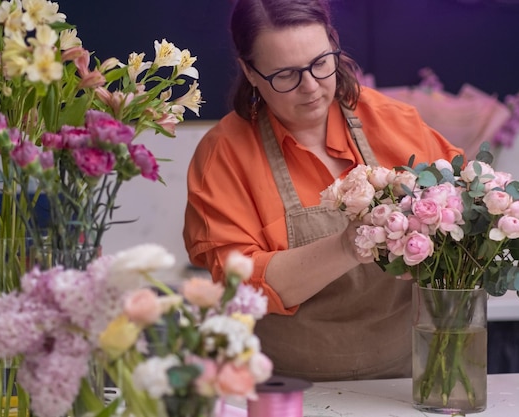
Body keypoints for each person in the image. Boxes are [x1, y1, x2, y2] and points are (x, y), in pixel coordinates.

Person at [183, 0, 463, 382]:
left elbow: (464, 206)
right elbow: (237, 285)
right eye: (285, 75)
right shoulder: (224, 155)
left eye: (320, 63)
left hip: (409, 380)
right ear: (250, 71)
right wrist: (348, 246)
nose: (311, 88)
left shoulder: (393, 121)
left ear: (333, 43)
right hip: (284, 390)